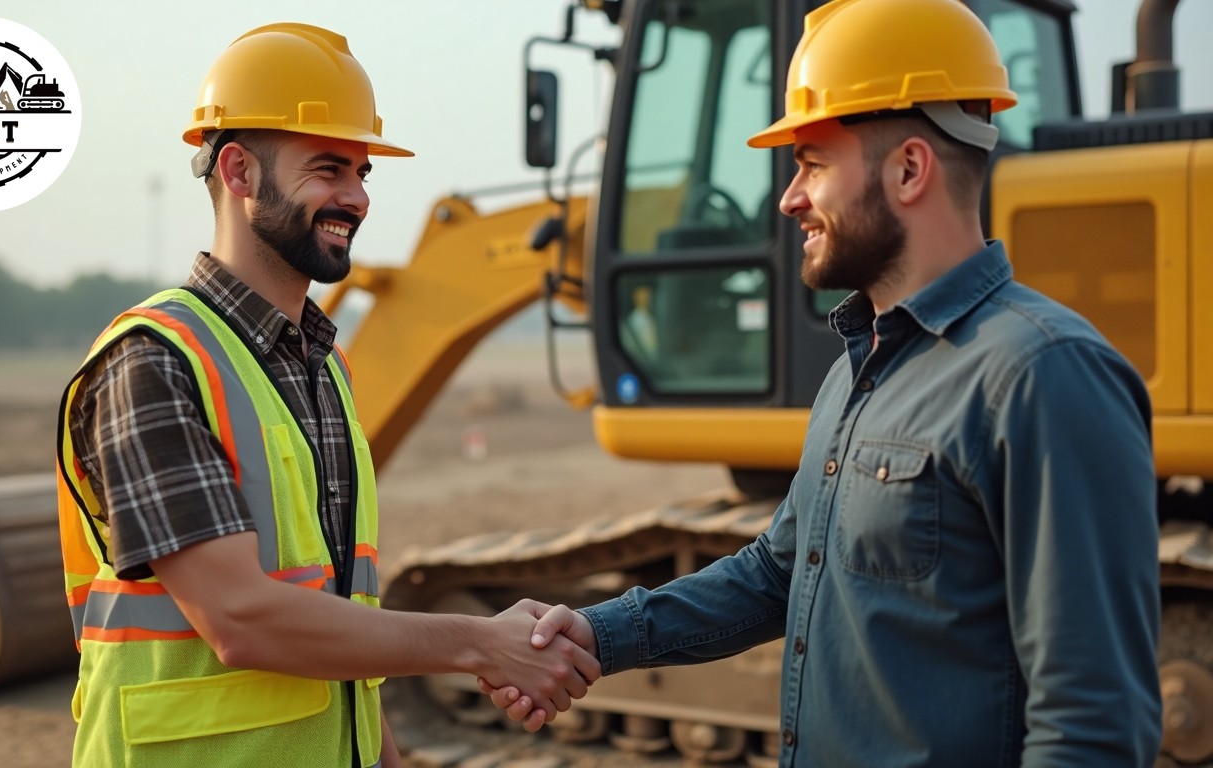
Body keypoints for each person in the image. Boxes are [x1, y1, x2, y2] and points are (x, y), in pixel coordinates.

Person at [481, 0, 1163, 765]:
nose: (789, 198)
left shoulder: (1042, 375)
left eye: (812, 163)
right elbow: (780, 571)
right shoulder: (857, 368)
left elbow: (1091, 724)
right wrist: (600, 635)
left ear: (910, 168)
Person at [55, 24, 597, 768]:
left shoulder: (322, 367)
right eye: (329, 169)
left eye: (364, 173)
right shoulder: (151, 363)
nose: (357, 198)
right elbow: (240, 619)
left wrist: (382, 753)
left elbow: (336, 614)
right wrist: (478, 641)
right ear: (240, 172)